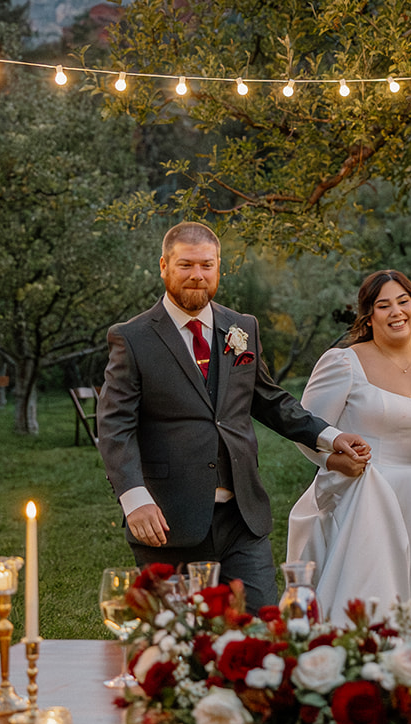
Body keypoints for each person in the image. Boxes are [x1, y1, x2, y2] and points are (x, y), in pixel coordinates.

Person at [96, 222, 370, 609]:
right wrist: (133, 497)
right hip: (168, 519)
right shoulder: (133, 337)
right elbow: (114, 425)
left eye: (207, 265)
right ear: (163, 266)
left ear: (218, 267)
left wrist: (329, 437)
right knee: (178, 645)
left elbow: (269, 400)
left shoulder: (242, 327)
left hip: (243, 516)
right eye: (185, 265)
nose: (197, 276)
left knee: (260, 632)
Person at [286, 270, 411, 622]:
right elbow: (308, 431)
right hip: (365, 493)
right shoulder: (343, 363)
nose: (396, 312)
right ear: (369, 316)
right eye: (384, 305)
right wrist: (336, 463)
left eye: (403, 302)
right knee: (371, 601)